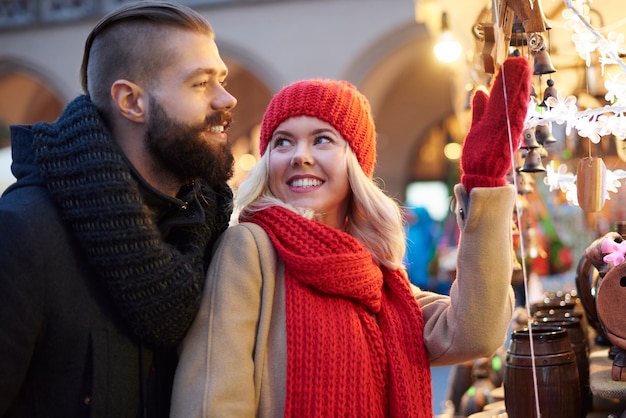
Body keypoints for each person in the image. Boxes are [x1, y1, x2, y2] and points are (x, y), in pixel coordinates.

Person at [170, 56, 532, 417]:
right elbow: (213, 399)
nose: (301, 156)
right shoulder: (250, 248)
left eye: (322, 139)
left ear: (355, 162)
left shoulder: (377, 278)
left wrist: (483, 184)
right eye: (283, 142)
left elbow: (476, 332)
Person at [0, 2, 236, 417]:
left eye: (222, 80)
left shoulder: (209, 232)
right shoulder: (25, 232)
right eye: (200, 84)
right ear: (131, 101)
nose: (226, 98)